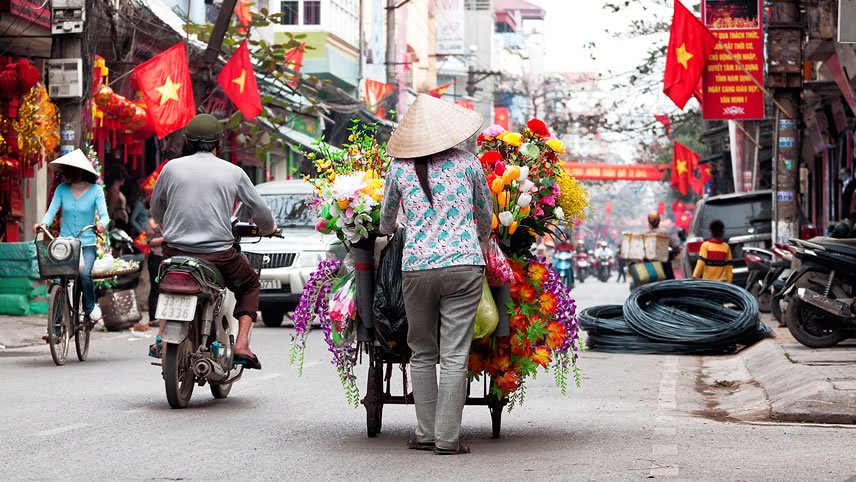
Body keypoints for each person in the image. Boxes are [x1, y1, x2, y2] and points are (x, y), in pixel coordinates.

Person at [379, 94, 492, 455]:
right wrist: (481, 239)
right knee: (455, 354)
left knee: (422, 352)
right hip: (464, 265)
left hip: (416, 267)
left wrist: (399, 226)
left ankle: (426, 434)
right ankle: (447, 439)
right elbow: (485, 214)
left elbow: (385, 221)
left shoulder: (398, 168)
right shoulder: (469, 163)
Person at [150, 114, 276, 369]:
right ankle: (241, 344)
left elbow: (156, 209)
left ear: (187, 141)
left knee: (166, 283)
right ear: (218, 142)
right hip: (218, 256)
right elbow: (261, 213)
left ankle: (161, 336)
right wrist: (268, 228)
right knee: (250, 284)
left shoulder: (170, 168)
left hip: (175, 251)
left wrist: (169, 225)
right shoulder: (233, 171)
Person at [34, 149, 109, 322]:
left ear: (82, 170)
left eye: (72, 168)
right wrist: (43, 224)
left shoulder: (96, 190)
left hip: (87, 244)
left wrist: (101, 225)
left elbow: (104, 215)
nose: (69, 172)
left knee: (84, 274)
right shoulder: (62, 189)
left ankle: (89, 307)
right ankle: (57, 324)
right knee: (57, 279)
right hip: (65, 245)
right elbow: (51, 211)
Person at [647, 212, 681, 279]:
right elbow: (672, 245)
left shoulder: (646, 233)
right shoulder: (663, 232)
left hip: (650, 262)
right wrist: (677, 248)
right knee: (670, 279)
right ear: (659, 221)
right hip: (664, 261)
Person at [145, 216, 164, 327]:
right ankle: (152, 318)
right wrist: (165, 238)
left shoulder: (167, 220)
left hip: (165, 257)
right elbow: (151, 242)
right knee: (155, 287)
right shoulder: (150, 224)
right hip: (155, 257)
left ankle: (161, 315)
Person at [106, 164, 129, 231]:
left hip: (121, 219)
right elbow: (111, 208)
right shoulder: (113, 191)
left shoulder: (116, 190)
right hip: (118, 220)